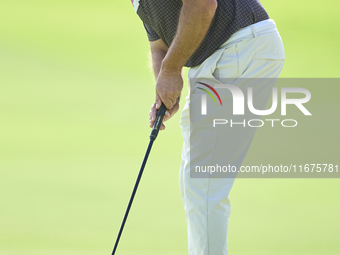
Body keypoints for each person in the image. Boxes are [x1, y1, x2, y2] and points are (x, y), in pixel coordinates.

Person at [131, 0, 285, 254]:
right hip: (224, 55)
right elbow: (159, 44)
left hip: (242, 46)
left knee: (203, 182)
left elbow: (202, 5)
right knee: (196, 180)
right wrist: (165, 86)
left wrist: (171, 71)